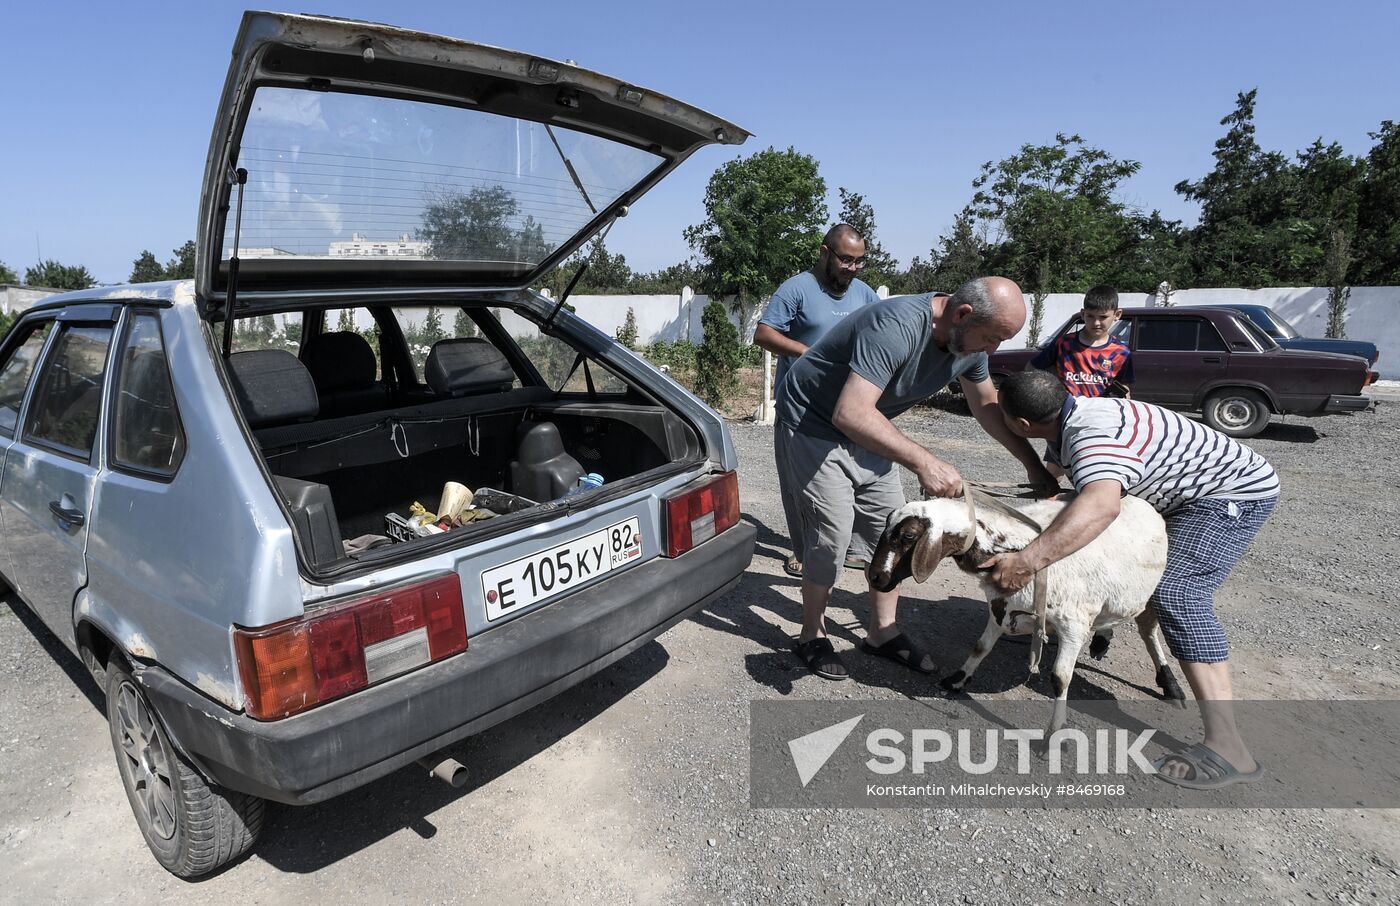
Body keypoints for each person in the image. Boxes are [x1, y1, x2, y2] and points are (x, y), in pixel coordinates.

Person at [985, 370, 1280, 789]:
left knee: (1178, 594)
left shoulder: (1089, 439)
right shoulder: (1073, 414)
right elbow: (1081, 481)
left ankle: (1230, 748)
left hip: (1230, 493)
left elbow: (1102, 505)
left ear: (1023, 425)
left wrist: (1027, 561)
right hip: (1194, 484)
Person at [776, 277, 1058, 681]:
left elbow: (986, 406)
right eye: (992, 338)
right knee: (830, 534)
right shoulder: (896, 326)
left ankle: (882, 632)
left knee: (893, 528)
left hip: (868, 424)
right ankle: (811, 635)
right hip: (814, 422)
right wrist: (925, 462)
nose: (993, 351)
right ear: (962, 314)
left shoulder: (969, 346)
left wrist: (1033, 467)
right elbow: (850, 413)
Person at [755, 224, 882, 579]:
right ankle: (802, 551)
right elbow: (763, 333)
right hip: (800, 407)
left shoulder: (864, 294)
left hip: (847, 407)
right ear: (825, 252)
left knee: (850, 479)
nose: (853, 268)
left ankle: (850, 547)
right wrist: (807, 352)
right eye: (846, 260)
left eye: (859, 261)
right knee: (801, 484)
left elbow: (880, 332)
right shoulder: (797, 289)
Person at [1029, 284, 1133, 399]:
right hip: (1067, 408)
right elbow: (1031, 368)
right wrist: (1052, 386)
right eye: (1090, 316)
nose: (1096, 323)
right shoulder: (1063, 344)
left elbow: (1124, 388)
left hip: (1102, 409)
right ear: (1083, 314)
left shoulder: (1121, 352)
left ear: (1117, 315)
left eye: (1103, 317)